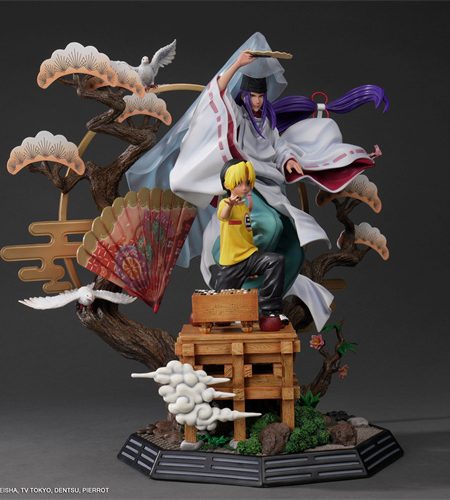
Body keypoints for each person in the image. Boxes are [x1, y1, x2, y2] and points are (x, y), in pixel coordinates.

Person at [127, 32, 389, 331]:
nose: (256, 101)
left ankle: (265, 306)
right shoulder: (238, 117)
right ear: (244, 96)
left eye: (261, 96)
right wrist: (237, 65)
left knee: (293, 246)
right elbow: (216, 95)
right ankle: (227, 266)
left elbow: (279, 147)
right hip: (245, 183)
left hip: (270, 186)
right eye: (252, 96)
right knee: (271, 226)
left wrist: (288, 159)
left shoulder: (267, 122)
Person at [215, 159, 285, 331]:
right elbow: (223, 216)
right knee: (218, 308)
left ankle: (270, 311)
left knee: (275, 261)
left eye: (247, 183)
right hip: (232, 263)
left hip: (250, 257)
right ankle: (212, 313)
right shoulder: (225, 204)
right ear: (228, 184)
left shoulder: (244, 206)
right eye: (239, 183)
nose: (245, 187)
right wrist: (230, 204)